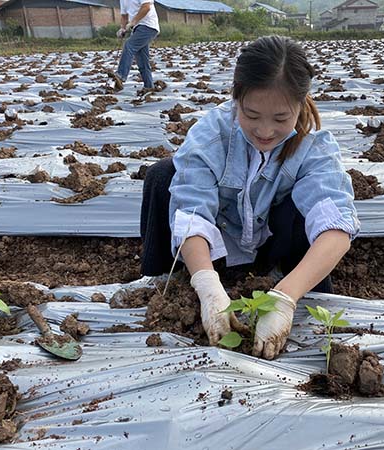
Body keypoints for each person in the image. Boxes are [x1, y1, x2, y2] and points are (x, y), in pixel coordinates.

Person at [140, 36, 360, 360]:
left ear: (301, 104)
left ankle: (302, 292)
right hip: (220, 242)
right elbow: (192, 211)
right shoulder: (212, 134)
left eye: (281, 119)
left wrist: (284, 298)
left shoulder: (314, 147)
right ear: (236, 97)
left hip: (272, 248)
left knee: (306, 207)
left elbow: (336, 225)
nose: (266, 131)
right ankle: (165, 287)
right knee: (162, 175)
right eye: (252, 115)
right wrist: (207, 286)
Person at [109, 0, 159, 91]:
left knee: (129, 45)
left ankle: (121, 75)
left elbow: (146, 7)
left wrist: (133, 22)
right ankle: (149, 86)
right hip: (137, 28)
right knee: (142, 60)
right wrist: (122, 28)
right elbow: (124, 16)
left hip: (148, 26)